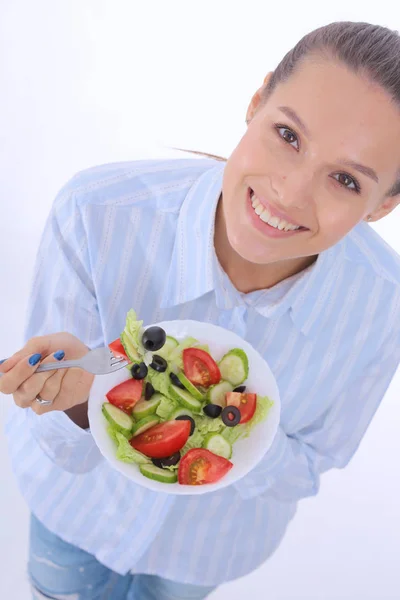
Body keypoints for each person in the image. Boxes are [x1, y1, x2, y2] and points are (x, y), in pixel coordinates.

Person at [1, 19, 400, 600]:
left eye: (344, 179)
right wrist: (74, 399)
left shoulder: (384, 306)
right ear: (257, 101)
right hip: (75, 519)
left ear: (382, 205)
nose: (289, 193)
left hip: (207, 551)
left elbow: (310, 465)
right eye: (288, 135)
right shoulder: (96, 213)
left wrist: (229, 434)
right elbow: (63, 450)